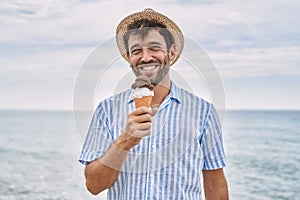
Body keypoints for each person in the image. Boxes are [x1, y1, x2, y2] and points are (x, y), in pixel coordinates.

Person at [79, 8, 228, 199]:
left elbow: (215, 182)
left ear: (171, 53)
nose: (146, 57)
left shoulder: (203, 111)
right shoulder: (106, 110)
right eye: (136, 51)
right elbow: (94, 185)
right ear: (129, 59)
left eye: (154, 48)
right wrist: (124, 141)